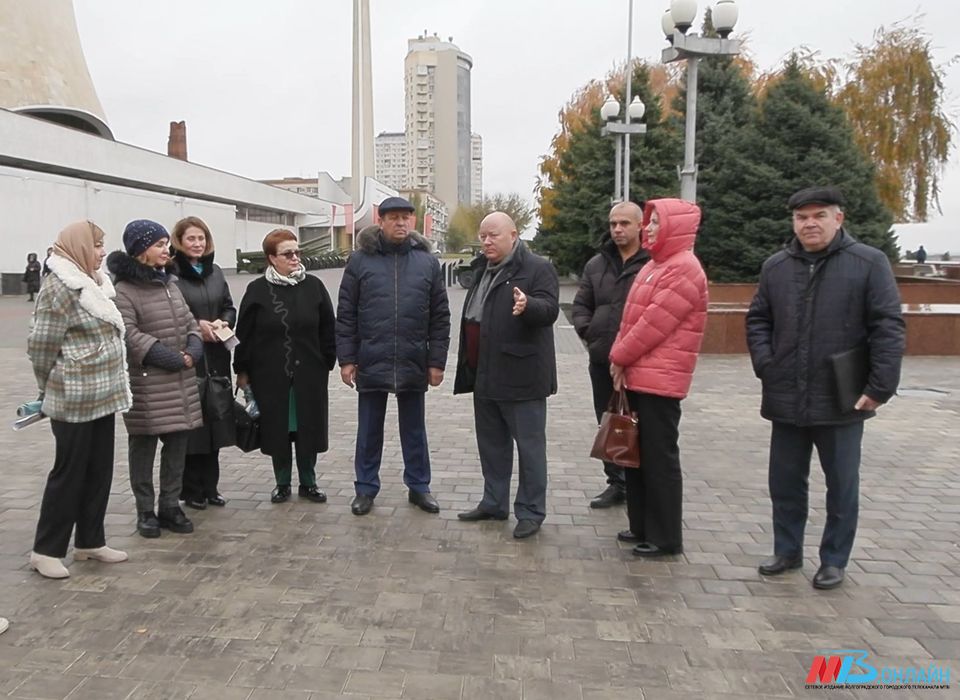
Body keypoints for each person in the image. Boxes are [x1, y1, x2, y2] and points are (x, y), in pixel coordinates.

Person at [746, 186, 905, 590]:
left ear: (839, 218)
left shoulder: (868, 263)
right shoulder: (777, 266)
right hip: (786, 394)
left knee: (842, 484)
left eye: (819, 215)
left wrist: (880, 387)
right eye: (802, 217)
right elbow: (758, 319)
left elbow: (887, 326)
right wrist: (767, 363)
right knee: (784, 481)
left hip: (843, 396)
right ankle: (787, 550)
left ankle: (834, 559)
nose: (809, 224)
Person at [26, 221, 132, 579]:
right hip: (72, 397)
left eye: (103, 245)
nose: (102, 252)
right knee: (69, 472)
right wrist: (50, 384)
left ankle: (90, 540)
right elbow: (41, 346)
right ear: (79, 247)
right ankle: (46, 550)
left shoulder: (97, 283)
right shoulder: (59, 286)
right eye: (97, 245)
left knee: (99, 469)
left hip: (103, 393)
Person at [336, 196, 450, 516]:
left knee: (414, 429)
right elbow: (346, 314)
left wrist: (436, 361)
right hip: (372, 357)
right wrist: (346, 359)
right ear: (381, 221)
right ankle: (365, 488)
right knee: (369, 429)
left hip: (413, 358)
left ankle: (419, 486)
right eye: (394, 218)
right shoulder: (360, 261)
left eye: (406, 218)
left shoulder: (427, 262)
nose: (401, 223)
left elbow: (440, 316)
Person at [609, 198, 708, 557]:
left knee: (659, 459)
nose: (648, 229)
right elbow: (630, 318)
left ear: (675, 226)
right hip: (638, 375)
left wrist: (619, 356)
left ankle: (665, 537)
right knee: (636, 457)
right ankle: (641, 526)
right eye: (648, 223)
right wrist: (621, 358)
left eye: (654, 223)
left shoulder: (684, 269)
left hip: (660, 381)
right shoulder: (656, 265)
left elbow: (653, 324)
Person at [454, 212, 559, 539]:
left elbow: (550, 310)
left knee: (529, 449)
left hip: (522, 376)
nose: (486, 241)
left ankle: (530, 511)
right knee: (492, 445)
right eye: (483, 235)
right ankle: (494, 502)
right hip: (484, 373)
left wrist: (528, 306)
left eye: (493, 235)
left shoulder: (537, 268)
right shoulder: (482, 268)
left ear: (513, 235)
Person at [107, 220, 203, 538]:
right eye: (159, 244)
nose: (166, 250)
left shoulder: (169, 284)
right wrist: (171, 358)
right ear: (140, 250)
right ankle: (145, 511)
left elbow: (189, 321)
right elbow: (130, 335)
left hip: (180, 382)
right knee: (143, 449)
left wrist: (193, 347)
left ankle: (170, 506)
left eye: (166, 244)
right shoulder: (124, 290)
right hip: (148, 384)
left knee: (177, 447)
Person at [234, 229, 336, 504]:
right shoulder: (257, 290)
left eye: (297, 252)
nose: (295, 258)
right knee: (278, 429)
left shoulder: (314, 286)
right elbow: (244, 333)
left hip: (309, 373)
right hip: (270, 374)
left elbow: (328, 327)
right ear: (271, 258)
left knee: (307, 428)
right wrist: (241, 370)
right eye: (287, 254)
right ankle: (281, 483)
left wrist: (327, 360)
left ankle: (308, 482)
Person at [572, 201, 647, 509]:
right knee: (608, 421)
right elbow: (580, 305)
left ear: (640, 225)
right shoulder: (596, 265)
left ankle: (641, 486)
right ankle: (616, 483)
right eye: (613, 223)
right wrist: (590, 334)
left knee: (640, 425)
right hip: (602, 360)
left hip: (640, 363)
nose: (617, 229)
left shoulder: (652, 264)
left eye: (624, 223)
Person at [171, 216, 237, 509]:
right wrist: (198, 326)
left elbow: (228, 305)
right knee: (192, 426)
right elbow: (171, 316)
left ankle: (211, 487)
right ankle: (191, 489)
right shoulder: (171, 275)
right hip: (191, 356)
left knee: (216, 420)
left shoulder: (216, 272)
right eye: (191, 239)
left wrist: (224, 321)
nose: (197, 244)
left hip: (218, 356)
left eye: (201, 239)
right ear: (179, 242)